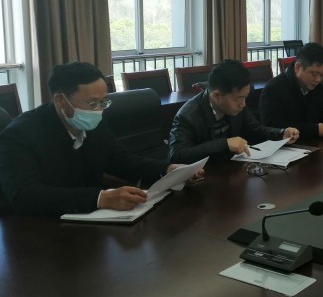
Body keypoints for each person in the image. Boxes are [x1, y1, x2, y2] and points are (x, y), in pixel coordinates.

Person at [0, 62, 202, 216]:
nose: (99, 110)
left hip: (87, 224)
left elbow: (121, 160)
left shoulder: (94, 122)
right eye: (92, 103)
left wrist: (167, 171)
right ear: (60, 100)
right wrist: (100, 198)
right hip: (35, 230)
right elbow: (25, 195)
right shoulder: (20, 135)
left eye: (104, 102)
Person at [169, 59, 299, 164]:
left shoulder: (237, 104)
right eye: (239, 98)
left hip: (231, 170)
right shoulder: (187, 115)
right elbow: (177, 155)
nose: (243, 104)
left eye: (245, 97)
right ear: (217, 96)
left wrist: (281, 133)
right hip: (205, 176)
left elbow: (256, 129)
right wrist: (224, 144)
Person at [259, 42, 323, 139]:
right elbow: (272, 127)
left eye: (322, 75)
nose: (318, 79)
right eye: (314, 74)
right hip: (289, 145)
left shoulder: (318, 86)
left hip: (316, 143)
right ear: (298, 68)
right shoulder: (273, 89)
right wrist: (316, 130)